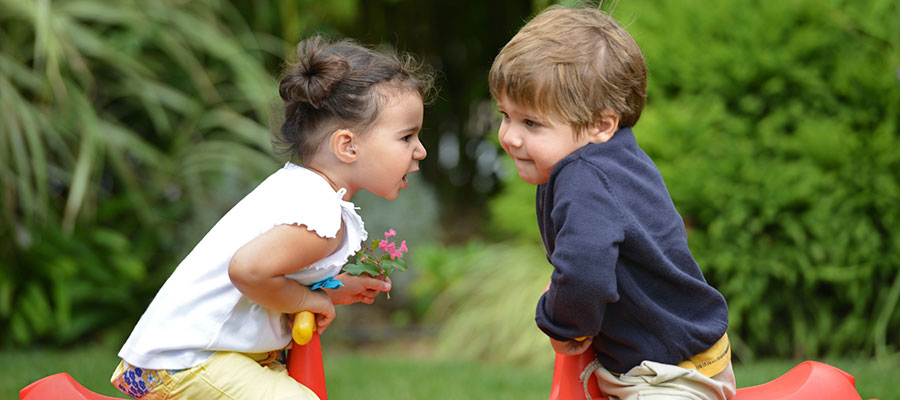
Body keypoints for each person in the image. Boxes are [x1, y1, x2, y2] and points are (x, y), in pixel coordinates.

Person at [110, 36, 433, 400]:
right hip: (186, 360)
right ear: (348, 146)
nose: (420, 150)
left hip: (192, 356)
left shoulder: (302, 191)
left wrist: (334, 289)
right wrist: (309, 302)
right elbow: (248, 271)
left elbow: (276, 276)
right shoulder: (320, 214)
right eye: (407, 137)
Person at [489, 5, 735, 400]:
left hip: (671, 374)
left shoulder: (584, 177)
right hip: (643, 362)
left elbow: (585, 268)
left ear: (600, 125)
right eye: (505, 115)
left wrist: (561, 324)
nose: (509, 137)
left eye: (531, 123)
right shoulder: (602, 159)